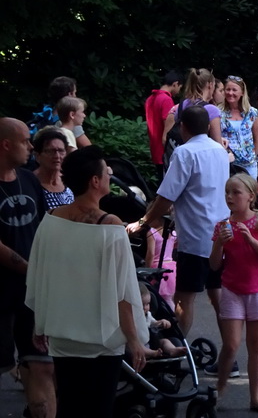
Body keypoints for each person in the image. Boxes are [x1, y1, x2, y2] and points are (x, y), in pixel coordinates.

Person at [25, 146, 147, 418]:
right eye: (106, 172)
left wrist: (40, 320)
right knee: (99, 408)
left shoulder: (52, 220)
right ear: (95, 180)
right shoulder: (110, 225)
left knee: (70, 405)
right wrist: (134, 339)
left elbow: (41, 273)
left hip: (63, 334)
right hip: (101, 338)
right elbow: (123, 291)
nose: (109, 175)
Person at [129, 105, 231, 337]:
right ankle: (229, 355)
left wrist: (144, 222)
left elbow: (167, 196)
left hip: (196, 236)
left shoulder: (185, 153)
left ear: (182, 127)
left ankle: (178, 349)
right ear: (207, 126)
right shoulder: (219, 151)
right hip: (221, 233)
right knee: (218, 295)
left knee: (184, 298)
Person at [209, 173, 258, 413]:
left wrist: (251, 240)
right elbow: (214, 265)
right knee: (231, 345)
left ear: (251, 196)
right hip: (232, 290)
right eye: (227, 192)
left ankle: (256, 398)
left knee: (256, 345)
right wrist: (219, 243)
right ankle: (218, 389)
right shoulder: (222, 225)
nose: (229, 196)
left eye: (235, 192)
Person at [0, 118, 54, 418]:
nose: (30, 147)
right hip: (4, 292)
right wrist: (32, 270)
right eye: (25, 141)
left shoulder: (29, 179)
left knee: (42, 364)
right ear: (6, 144)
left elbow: (44, 227)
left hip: (32, 293)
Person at [163, 68, 224, 149]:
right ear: (210, 85)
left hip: (181, 155)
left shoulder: (180, 106)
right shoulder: (211, 110)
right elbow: (218, 146)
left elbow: (165, 138)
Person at [220, 75, 258, 178]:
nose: (230, 93)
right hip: (228, 165)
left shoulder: (252, 113)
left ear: (242, 92)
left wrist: (253, 156)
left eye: (234, 90)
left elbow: (257, 137)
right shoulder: (219, 113)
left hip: (249, 165)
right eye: (228, 89)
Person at [137, 282, 187, 359]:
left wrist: (161, 322)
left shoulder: (147, 315)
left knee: (164, 341)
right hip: (137, 344)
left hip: (149, 342)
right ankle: (152, 353)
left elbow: (153, 323)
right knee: (138, 347)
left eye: (147, 304)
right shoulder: (131, 318)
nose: (145, 307)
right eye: (141, 304)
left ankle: (172, 350)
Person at [144, 70, 181, 172]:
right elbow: (169, 128)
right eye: (179, 87)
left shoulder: (150, 98)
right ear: (175, 84)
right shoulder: (166, 100)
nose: (179, 91)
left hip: (154, 148)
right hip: (163, 150)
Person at [32, 127, 73, 211]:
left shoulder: (70, 180)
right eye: (51, 151)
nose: (57, 156)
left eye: (61, 151)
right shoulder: (30, 183)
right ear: (37, 156)